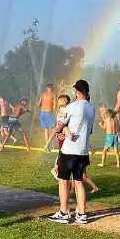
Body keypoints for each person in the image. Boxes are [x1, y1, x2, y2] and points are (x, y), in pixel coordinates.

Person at [47, 80, 96, 224]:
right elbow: (90, 130)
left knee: (63, 181)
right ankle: (81, 213)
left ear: (77, 92)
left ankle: (63, 212)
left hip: (69, 150)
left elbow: (58, 126)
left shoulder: (71, 107)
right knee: (79, 182)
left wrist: (60, 131)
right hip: (82, 151)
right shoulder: (91, 108)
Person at [39, 84, 57, 152]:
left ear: (47, 88)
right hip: (49, 113)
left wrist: (43, 105)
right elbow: (54, 107)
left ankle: (47, 147)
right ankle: (47, 145)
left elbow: (38, 104)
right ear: (52, 89)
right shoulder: (53, 95)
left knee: (46, 131)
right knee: (55, 129)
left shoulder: (43, 94)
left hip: (42, 113)